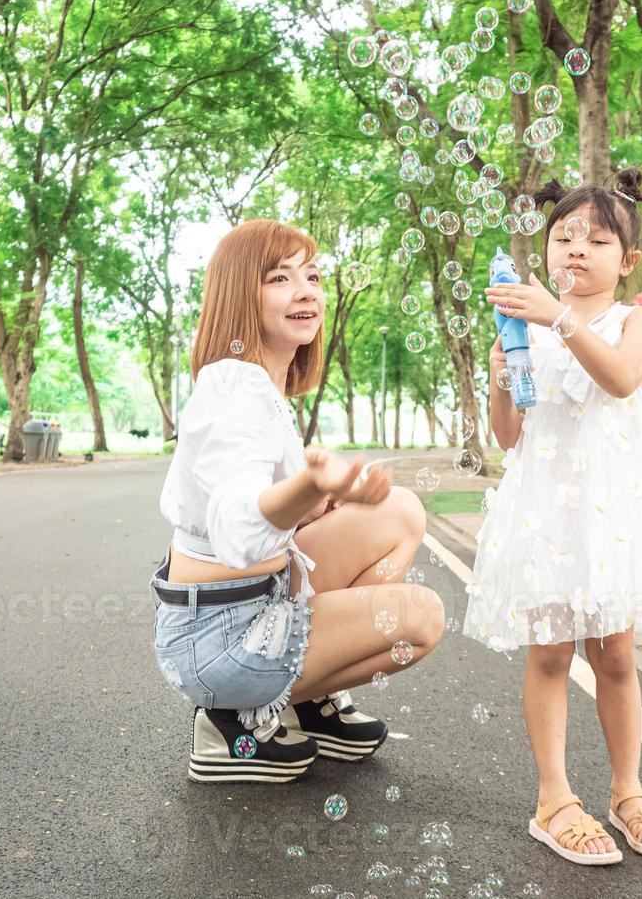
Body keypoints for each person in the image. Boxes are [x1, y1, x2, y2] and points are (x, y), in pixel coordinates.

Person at [154, 219, 445, 784]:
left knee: (400, 511)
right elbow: (237, 529)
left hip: (255, 607)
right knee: (422, 615)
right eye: (280, 278)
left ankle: (305, 701)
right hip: (222, 641)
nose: (307, 289)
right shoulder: (233, 387)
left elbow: (257, 515)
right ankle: (232, 717)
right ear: (241, 294)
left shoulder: (260, 386)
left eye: (312, 275)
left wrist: (314, 507)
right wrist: (314, 486)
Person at [468, 169, 642, 864]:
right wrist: (504, 377)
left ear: (625, 261)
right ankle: (553, 798)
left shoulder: (637, 316)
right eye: (562, 235)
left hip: (613, 517)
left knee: (617, 655)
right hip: (547, 516)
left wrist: (555, 318)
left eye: (596, 239)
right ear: (543, 249)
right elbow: (509, 436)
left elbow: (622, 377)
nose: (575, 248)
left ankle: (627, 791)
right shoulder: (519, 334)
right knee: (549, 654)